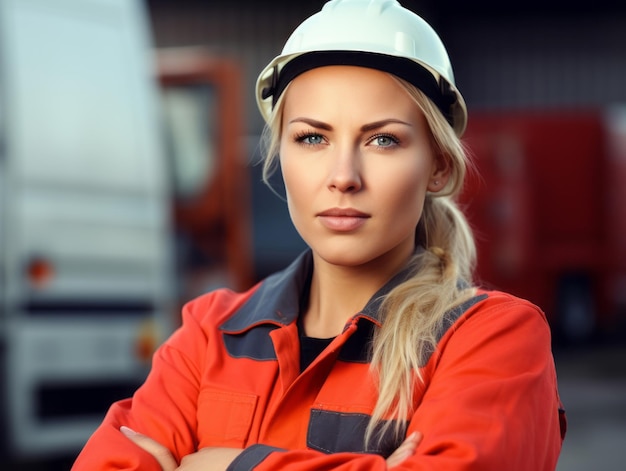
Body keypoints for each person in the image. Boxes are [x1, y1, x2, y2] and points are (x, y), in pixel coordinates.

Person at [72, 0, 566, 469]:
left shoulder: (493, 339)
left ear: (436, 166)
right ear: (280, 153)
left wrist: (234, 466)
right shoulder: (211, 333)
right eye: (313, 137)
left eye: (382, 140)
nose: (343, 176)